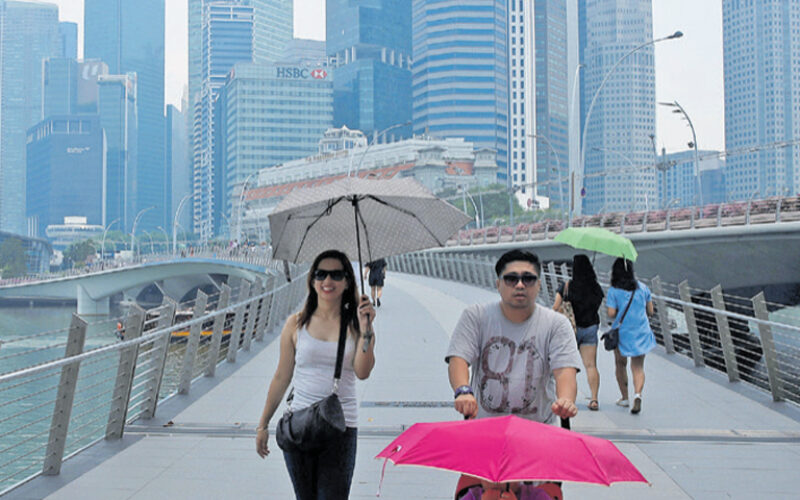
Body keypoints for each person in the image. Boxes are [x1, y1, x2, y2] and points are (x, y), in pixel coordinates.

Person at [255, 249, 376, 500]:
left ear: (347, 282)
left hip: (340, 427)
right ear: (312, 280)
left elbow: (363, 372)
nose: (327, 281)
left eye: (336, 275)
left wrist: (367, 331)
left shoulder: (356, 325)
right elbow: (281, 377)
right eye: (321, 274)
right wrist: (263, 424)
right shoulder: (296, 323)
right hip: (300, 425)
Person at [447, 249, 581, 423]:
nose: (520, 285)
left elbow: (564, 369)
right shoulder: (476, 316)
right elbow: (459, 358)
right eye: (511, 279)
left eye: (528, 279)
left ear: (539, 285)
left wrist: (565, 400)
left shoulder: (556, 324)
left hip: (537, 427)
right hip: (484, 425)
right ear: (498, 284)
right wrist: (463, 391)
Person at [551, 254, 604, 411]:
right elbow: (597, 304)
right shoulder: (596, 288)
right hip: (590, 328)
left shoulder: (567, 286)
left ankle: (568, 399)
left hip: (570, 330)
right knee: (591, 365)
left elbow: (555, 307)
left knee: (568, 366)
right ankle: (594, 399)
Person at [607, 258, 655, 415]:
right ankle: (638, 395)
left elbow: (611, 314)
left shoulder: (613, 290)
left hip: (622, 333)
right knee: (638, 367)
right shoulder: (643, 288)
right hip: (641, 332)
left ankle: (625, 398)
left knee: (620, 364)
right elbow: (651, 311)